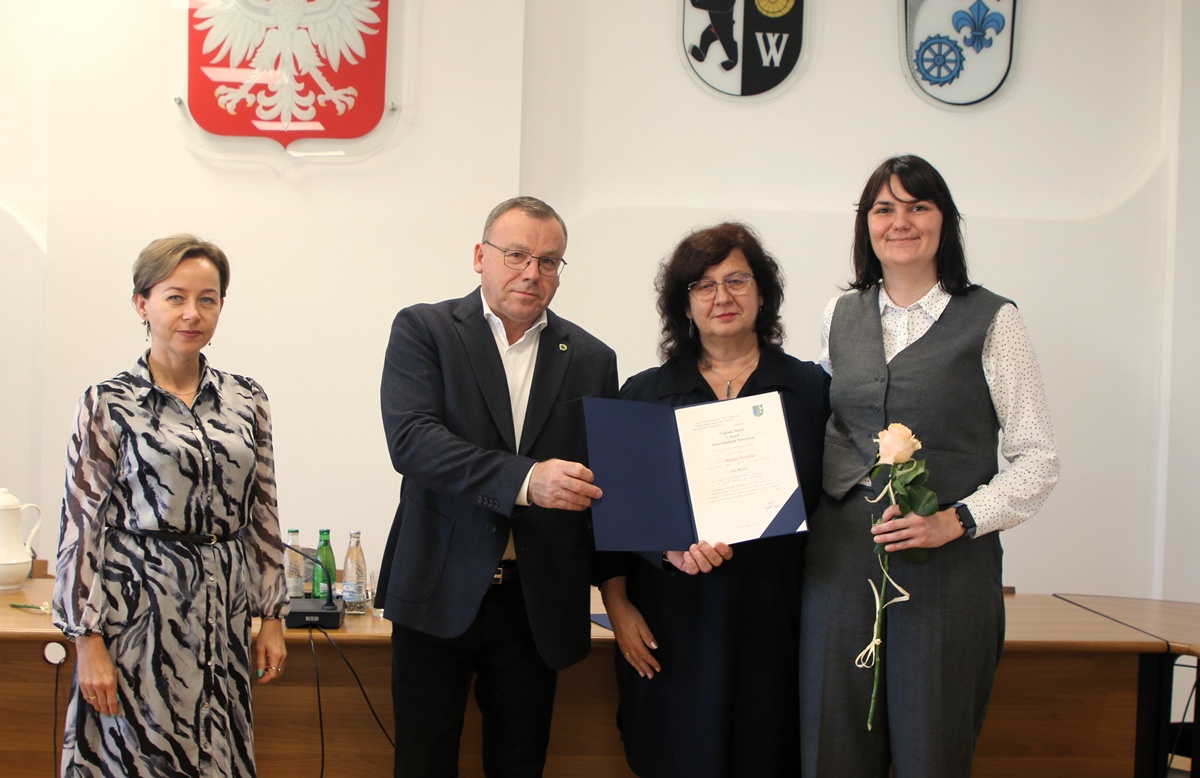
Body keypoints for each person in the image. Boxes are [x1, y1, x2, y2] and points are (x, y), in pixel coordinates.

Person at [799, 155, 1060, 777]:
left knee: (931, 754)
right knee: (833, 750)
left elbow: (1038, 457)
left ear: (946, 220)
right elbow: (819, 427)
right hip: (840, 565)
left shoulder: (994, 320)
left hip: (948, 573)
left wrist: (955, 520)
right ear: (866, 224)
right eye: (884, 208)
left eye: (918, 206)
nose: (901, 222)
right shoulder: (839, 315)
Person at [376, 196, 619, 777]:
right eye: (516, 255)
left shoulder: (592, 357)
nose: (532, 272)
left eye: (549, 261)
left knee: (520, 764)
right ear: (479, 256)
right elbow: (413, 442)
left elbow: (604, 482)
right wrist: (528, 480)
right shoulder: (425, 329)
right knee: (423, 763)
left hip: (535, 603)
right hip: (437, 585)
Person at [596, 222, 829, 777]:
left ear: (763, 293)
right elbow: (612, 521)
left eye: (737, 280)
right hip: (671, 623)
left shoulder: (813, 392)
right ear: (684, 305)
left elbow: (835, 509)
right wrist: (618, 608)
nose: (721, 297)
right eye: (702, 285)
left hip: (776, 622)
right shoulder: (643, 394)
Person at [52, 235, 289, 777]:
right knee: (137, 756)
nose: (192, 314)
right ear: (143, 304)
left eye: (207, 299)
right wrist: (86, 641)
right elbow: (81, 526)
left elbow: (263, 510)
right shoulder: (108, 402)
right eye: (175, 297)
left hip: (223, 611)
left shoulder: (246, 399)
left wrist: (272, 616)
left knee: (217, 751)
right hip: (138, 611)